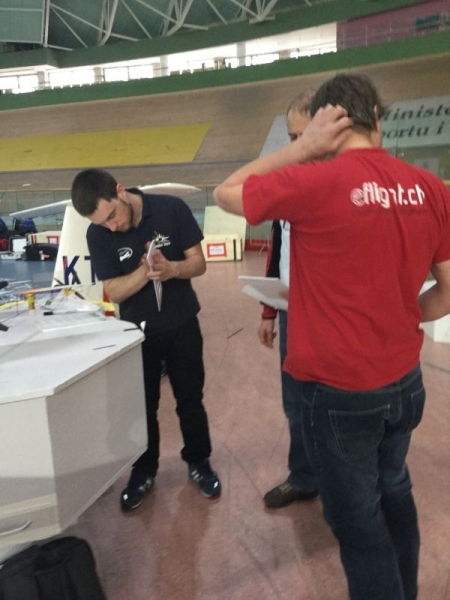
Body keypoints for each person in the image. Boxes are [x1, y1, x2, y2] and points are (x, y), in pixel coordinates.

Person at [213, 73, 450, 600]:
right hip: (405, 384)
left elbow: (227, 194)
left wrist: (302, 150)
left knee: (358, 524)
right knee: (395, 489)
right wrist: (398, 316)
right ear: (376, 119)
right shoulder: (430, 187)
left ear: (324, 124)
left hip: (341, 392)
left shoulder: (314, 183)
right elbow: (449, 289)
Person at [71, 168, 221, 511]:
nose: (112, 226)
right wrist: (145, 271)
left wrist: (172, 269)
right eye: (102, 223)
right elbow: (113, 291)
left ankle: (199, 461)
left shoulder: (171, 209)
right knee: (142, 406)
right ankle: (143, 470)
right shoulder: (98, 233)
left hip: (182, 325)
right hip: (137, 335)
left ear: (120, 191)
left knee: (190, 400)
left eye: (112, 215)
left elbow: (198, 263)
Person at [259, 92, 318, 509]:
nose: (297, 146)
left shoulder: (349, 184)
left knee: (337, 404)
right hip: (290, 311)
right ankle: (304, 477)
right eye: (292, 137)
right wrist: (268, 311)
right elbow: (278, 246)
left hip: (334, 316)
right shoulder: (289, 182)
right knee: (296, 401)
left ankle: (346, 486)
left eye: (305, 136)